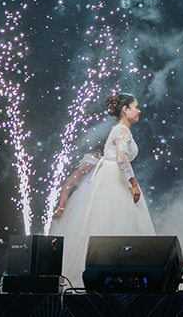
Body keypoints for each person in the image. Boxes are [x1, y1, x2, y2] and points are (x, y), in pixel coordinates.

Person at [60, 93, 155, 289]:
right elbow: (121, 158)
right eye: (136, 107)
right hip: (115, 178)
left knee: (109, 221)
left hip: (110, 176)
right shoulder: (122, 130)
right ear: (125, 109)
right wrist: (133, 184)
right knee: (117, 221)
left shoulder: (119, 129)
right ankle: (115, 275)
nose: (139, 111)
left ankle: (114, 275)